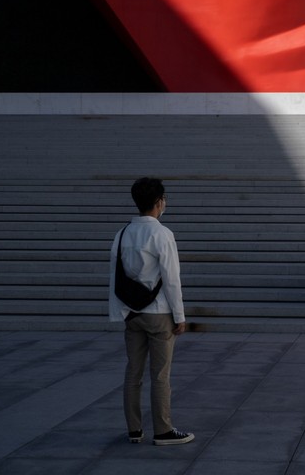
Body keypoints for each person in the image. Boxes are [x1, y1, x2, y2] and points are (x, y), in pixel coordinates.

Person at [109, 177, 194, 445]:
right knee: (160, 375)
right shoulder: (162, 234)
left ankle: (134, 430)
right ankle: (163, 430)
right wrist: (179, 317)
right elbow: (171, 279)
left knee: (133, 372)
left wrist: (120, 311)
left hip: (131, 314)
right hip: (159, 314)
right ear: (159, 202)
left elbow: (115, 278)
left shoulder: (122, 234)